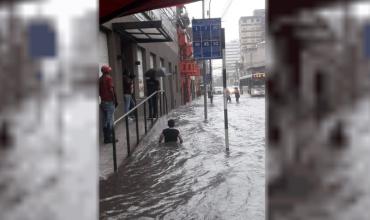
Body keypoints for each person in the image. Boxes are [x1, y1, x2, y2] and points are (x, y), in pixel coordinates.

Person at [99, 65, 118, 144]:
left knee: (106, 120)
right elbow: (111, 90)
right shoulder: (108, 78)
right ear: (107, 71)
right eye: (109, 70)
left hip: (103, 102)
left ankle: (106, 138)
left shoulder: (99, 79)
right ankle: (109, 138)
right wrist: (115, 100)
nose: (110, 71)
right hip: (109, 102)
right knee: (109, 120)